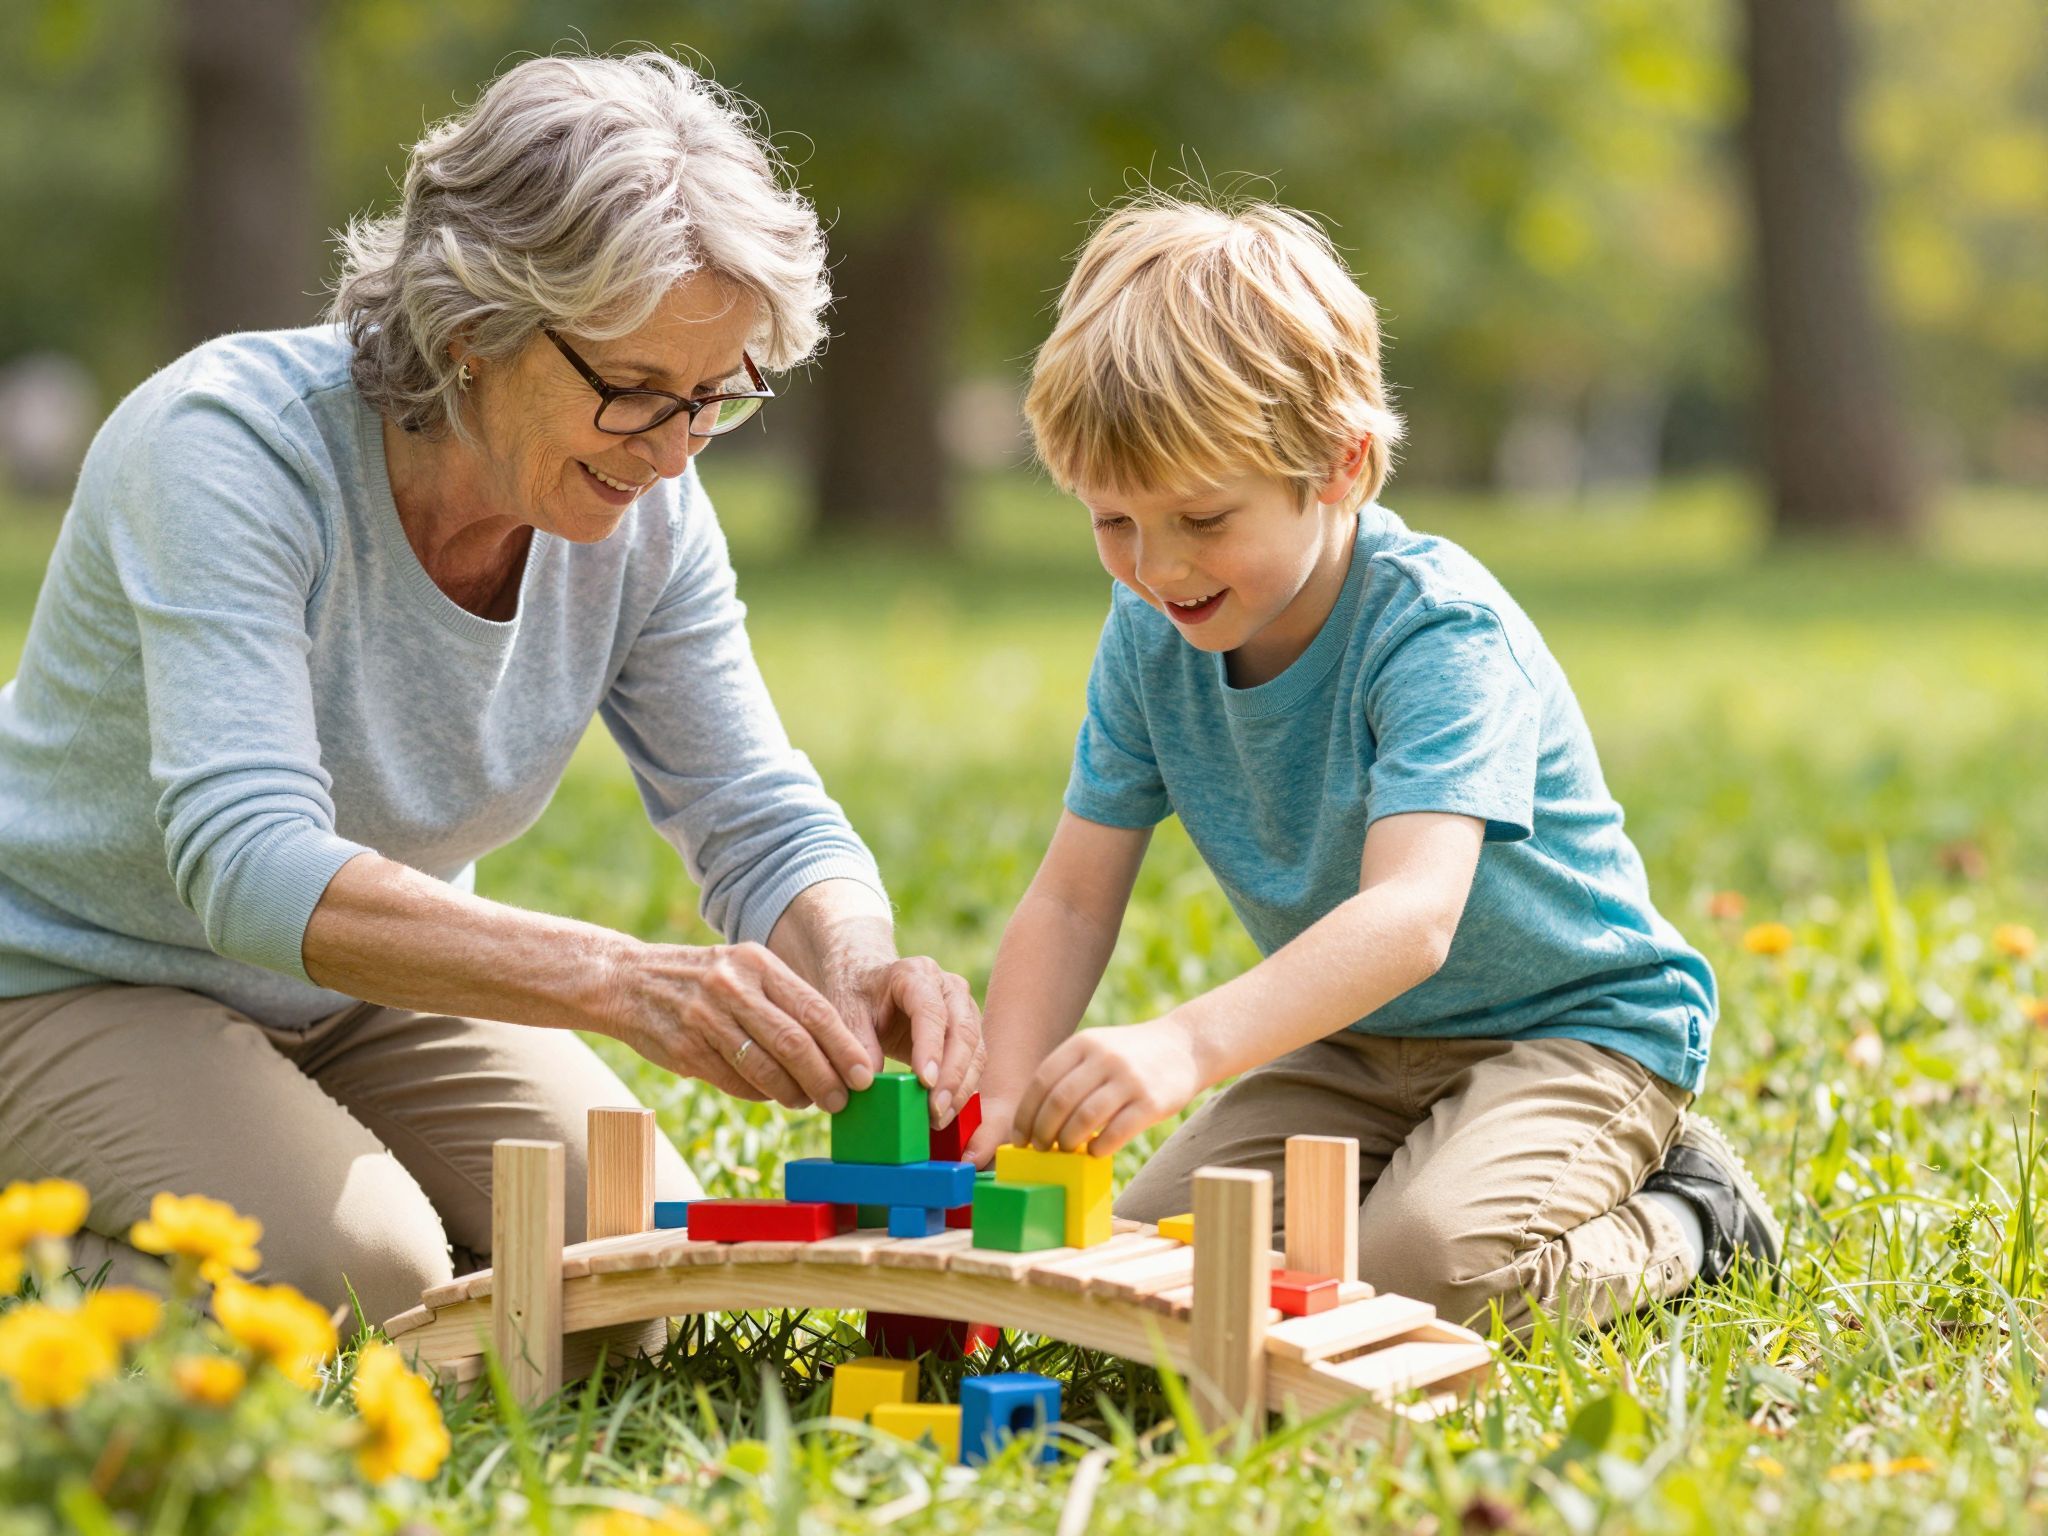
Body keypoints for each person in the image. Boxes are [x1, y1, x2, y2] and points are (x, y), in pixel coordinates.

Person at [0, 53, 981, 1333]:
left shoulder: (648, 500)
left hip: (364, 985)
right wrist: (621, 979)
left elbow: (752, 806)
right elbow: (246, 864)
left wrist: (858, 959)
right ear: (472, 327)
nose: (672, 452)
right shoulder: (224, 448)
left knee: (634, 1279)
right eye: (634, 391)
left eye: (711, 399)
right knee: (362, 1281)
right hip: (73, 973)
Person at [964, 194, 1776, 1333]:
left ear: (1340, 467)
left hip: (1570, 1034)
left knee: (1411, 1278)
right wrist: (1004, 1100)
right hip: (1353, 1049)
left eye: (1203, 519)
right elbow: (1069, 898)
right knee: (1135, 1274)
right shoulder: (1148, 632)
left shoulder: (1437, 633)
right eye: (1113, 522)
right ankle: (1418, 1179)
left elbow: (1410, 918)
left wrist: (1185, 1042)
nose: (1157, 568)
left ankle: (1692, 1217)